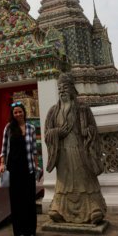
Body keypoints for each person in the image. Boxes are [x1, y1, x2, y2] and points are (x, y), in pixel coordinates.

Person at [45, 73, 106, 224]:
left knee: (85, 180)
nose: (62, 91)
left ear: (72, 89)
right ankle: (59, 209)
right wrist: (57, 133)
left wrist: (88, 131)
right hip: (62, 152)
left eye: (65, 88)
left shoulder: (83, 109)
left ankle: (93, 209)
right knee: (64, 182)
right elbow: (47, 133)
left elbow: (94, 128)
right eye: (59, 89)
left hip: (81, 150)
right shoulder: (53, 111)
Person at [0, 101, 38, 236]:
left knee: (29, 200)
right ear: (12, 114)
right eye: (15, 112)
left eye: (20, 111)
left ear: (24, 112)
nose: (18, 114)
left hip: (28, 168)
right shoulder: (9, 128)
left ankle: (30, 230)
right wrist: (2, 164)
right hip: (14, 169)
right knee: (17, 201)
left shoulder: (31, 128)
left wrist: (37, 166)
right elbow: (3, 148)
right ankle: (19, 232)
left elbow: (34, 150)